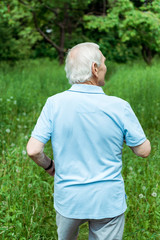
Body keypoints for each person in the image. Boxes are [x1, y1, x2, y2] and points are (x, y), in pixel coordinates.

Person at [27, 42, 151, 240]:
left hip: (69, 200)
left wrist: (50, 166)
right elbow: (143, 151)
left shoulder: (54, 103)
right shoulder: (119, 107)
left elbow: (33, 150)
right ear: (95, 69)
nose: (105, 67)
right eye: (103, 62)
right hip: (107, 201)